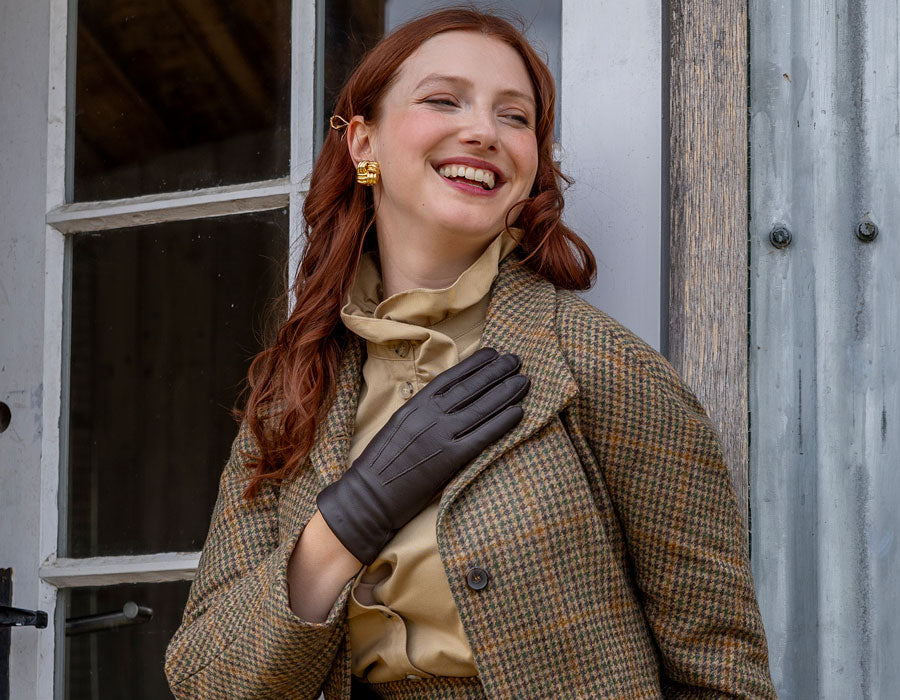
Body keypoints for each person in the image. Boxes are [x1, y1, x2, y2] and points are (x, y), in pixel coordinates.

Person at [165, 8, 776, 699]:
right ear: (363, 144)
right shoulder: (292, 394)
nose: (484, 131)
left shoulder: (602, 366)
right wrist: (352, 516)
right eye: (443, 100)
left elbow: (722, 678)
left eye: (515, 117)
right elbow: (207, 682)